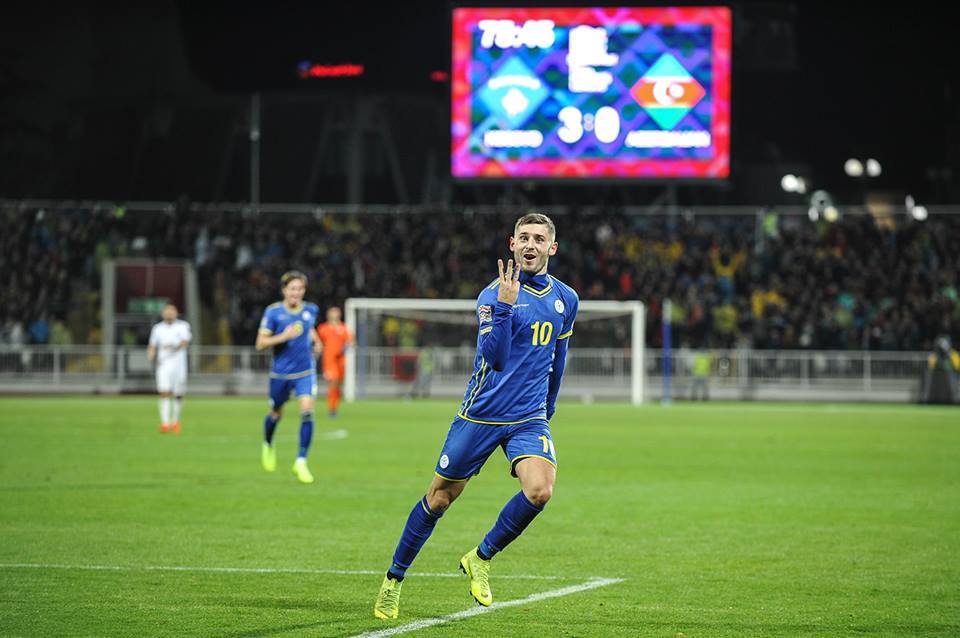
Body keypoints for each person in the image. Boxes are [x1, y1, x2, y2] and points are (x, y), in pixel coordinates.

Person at [373, 213, 579, 619]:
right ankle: (393, 580)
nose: (531, 245)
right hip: (481, 415)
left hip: (528, 417)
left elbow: (559, 359)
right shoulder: (491, 296)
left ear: (552, 248)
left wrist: (549, 408)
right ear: (512, 244)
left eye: (539, 239)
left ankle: (481, 558)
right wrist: (505, 307)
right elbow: (496, 359)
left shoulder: (566, 299)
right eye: (524, 238)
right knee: (439, 499)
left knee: (540, 490)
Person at [255, 271, 323, 484]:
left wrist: (317, 341)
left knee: (307, 411)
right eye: (292, 289)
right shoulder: (273, 312)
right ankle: (268, 443)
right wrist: (283, 336)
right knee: (276, 413)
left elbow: (308, 328)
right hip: (281, 374)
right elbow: (260, 343)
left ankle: (301, 461)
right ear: (284, 290)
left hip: (305, 372)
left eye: (300, 289)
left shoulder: (311, 309)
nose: (296, 293)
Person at [147, 303, 192, 433]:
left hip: (179, 365)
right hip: (163, 364)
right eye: (167, 311)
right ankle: (165, 423)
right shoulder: (157, 328)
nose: (169, 313)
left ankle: (175, 421)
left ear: (176, 313)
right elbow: (152, 345)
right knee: (164, 392)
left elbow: (185, 342)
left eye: (172, 311)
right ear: (163, 313)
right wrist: (150, 356)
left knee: (178, 393)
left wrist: (172, 346)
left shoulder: (183, 326)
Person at [315, 307, 354, 418]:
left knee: (338, 385)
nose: (334, 315)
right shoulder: (323, 328)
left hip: (341, 361)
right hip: (329, 360)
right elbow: (317, 342)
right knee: (333, 381)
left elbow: (351, 341)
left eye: (336, 313)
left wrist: (347, 346)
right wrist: (317, 349)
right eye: (332, 313)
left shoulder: (343, 328)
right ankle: (332, 409)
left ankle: (335, 405)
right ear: (328, 315)